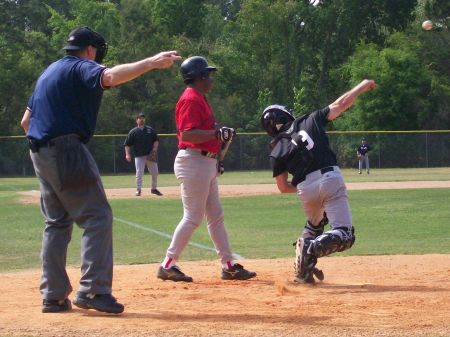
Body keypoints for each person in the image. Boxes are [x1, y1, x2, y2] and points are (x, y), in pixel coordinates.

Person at [20, 26, 181, 313]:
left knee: (56, 223)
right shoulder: (81, 66)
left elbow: (25, 122)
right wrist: (151, 62)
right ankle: (93, 291)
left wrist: (47, 148)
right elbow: (108, 77)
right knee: (97, 217)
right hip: (66, 148)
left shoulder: (49, 72)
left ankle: (53, 296)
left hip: (39, 152)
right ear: (90, 50)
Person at [261, 79, 376, 284]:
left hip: (305, 188)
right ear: (286, 115)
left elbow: (283, 187)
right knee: (345, 234)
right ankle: (309, 249)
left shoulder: (275, 149)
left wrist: (304, 184)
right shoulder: (309, 119)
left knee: (315, 224)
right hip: (330, 178)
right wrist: (361, 86)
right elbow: (342, 104)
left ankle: (303, 269)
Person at [156, 56, 256, 282]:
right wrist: (215, 134)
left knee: (216, 217)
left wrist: (218, 142)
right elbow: (188, 134)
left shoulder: (199, 97)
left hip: (205, 162)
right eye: (208, 74)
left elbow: (205, 132)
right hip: (194, 162)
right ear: (199, 76)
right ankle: (167, 265)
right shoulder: (191, 98)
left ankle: (229, 265)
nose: (211, 78)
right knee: (193, 217)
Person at [124, 113, 162, 196]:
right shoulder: (133, 131)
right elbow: (127, 144)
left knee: (155, 172)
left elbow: (156, 140)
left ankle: (154, 188)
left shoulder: (150, 130)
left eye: (143, 118)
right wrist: (127, 154)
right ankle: (138, 190)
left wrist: (155, 149)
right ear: (136, 120)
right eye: (140, 118)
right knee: (139, 173)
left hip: (150, 155)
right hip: (139, 156)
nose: (141, 119)